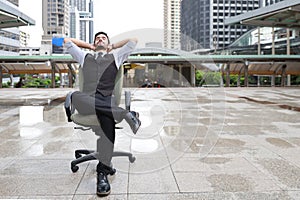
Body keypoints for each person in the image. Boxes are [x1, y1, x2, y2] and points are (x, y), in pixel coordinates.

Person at [63, 32, 141, 197]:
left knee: (106, 118)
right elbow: (67, 41)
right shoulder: (85, 57)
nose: (100, 39)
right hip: (86, 102)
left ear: (108, 43)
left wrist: (113, 46)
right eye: (97, 38)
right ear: (93, 43)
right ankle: (125, 114)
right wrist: (89, 47)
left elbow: (133, 39)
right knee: (75, 96)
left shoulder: (116, 57)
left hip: (106, 102)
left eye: (103, 38)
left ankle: (102, 172)